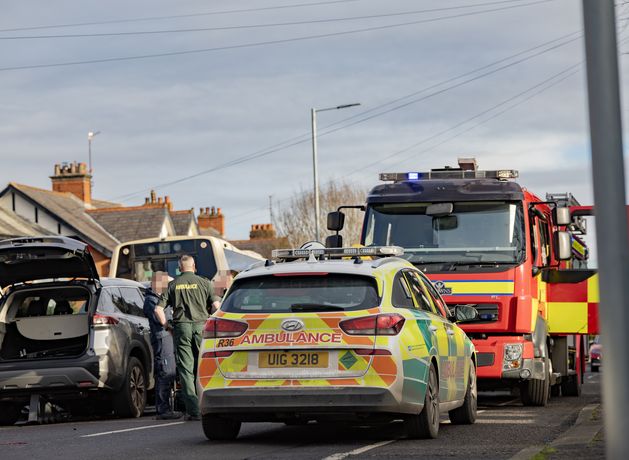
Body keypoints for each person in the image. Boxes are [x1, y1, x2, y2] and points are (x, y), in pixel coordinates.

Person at [157, 255, 221, 421]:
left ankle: (194, 411)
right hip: (201, 327)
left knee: (186, 369)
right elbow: (216, 307)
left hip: (182, 328)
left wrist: (167, 326)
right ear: (194, 266)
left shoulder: (172, 285)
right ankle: (212, 405)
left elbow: (158, 310)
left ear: (179, 268)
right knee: (204, 365)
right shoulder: (205, 283)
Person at [143, 271, 182, 420]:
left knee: (170, 372)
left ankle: (167, 408)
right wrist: (171, 327)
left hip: (166, 338)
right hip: (162, 338)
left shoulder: (159, 298)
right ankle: (163, 410)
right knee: (165, 372)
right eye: (165, 284)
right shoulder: (151, 300)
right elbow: (161, 320)